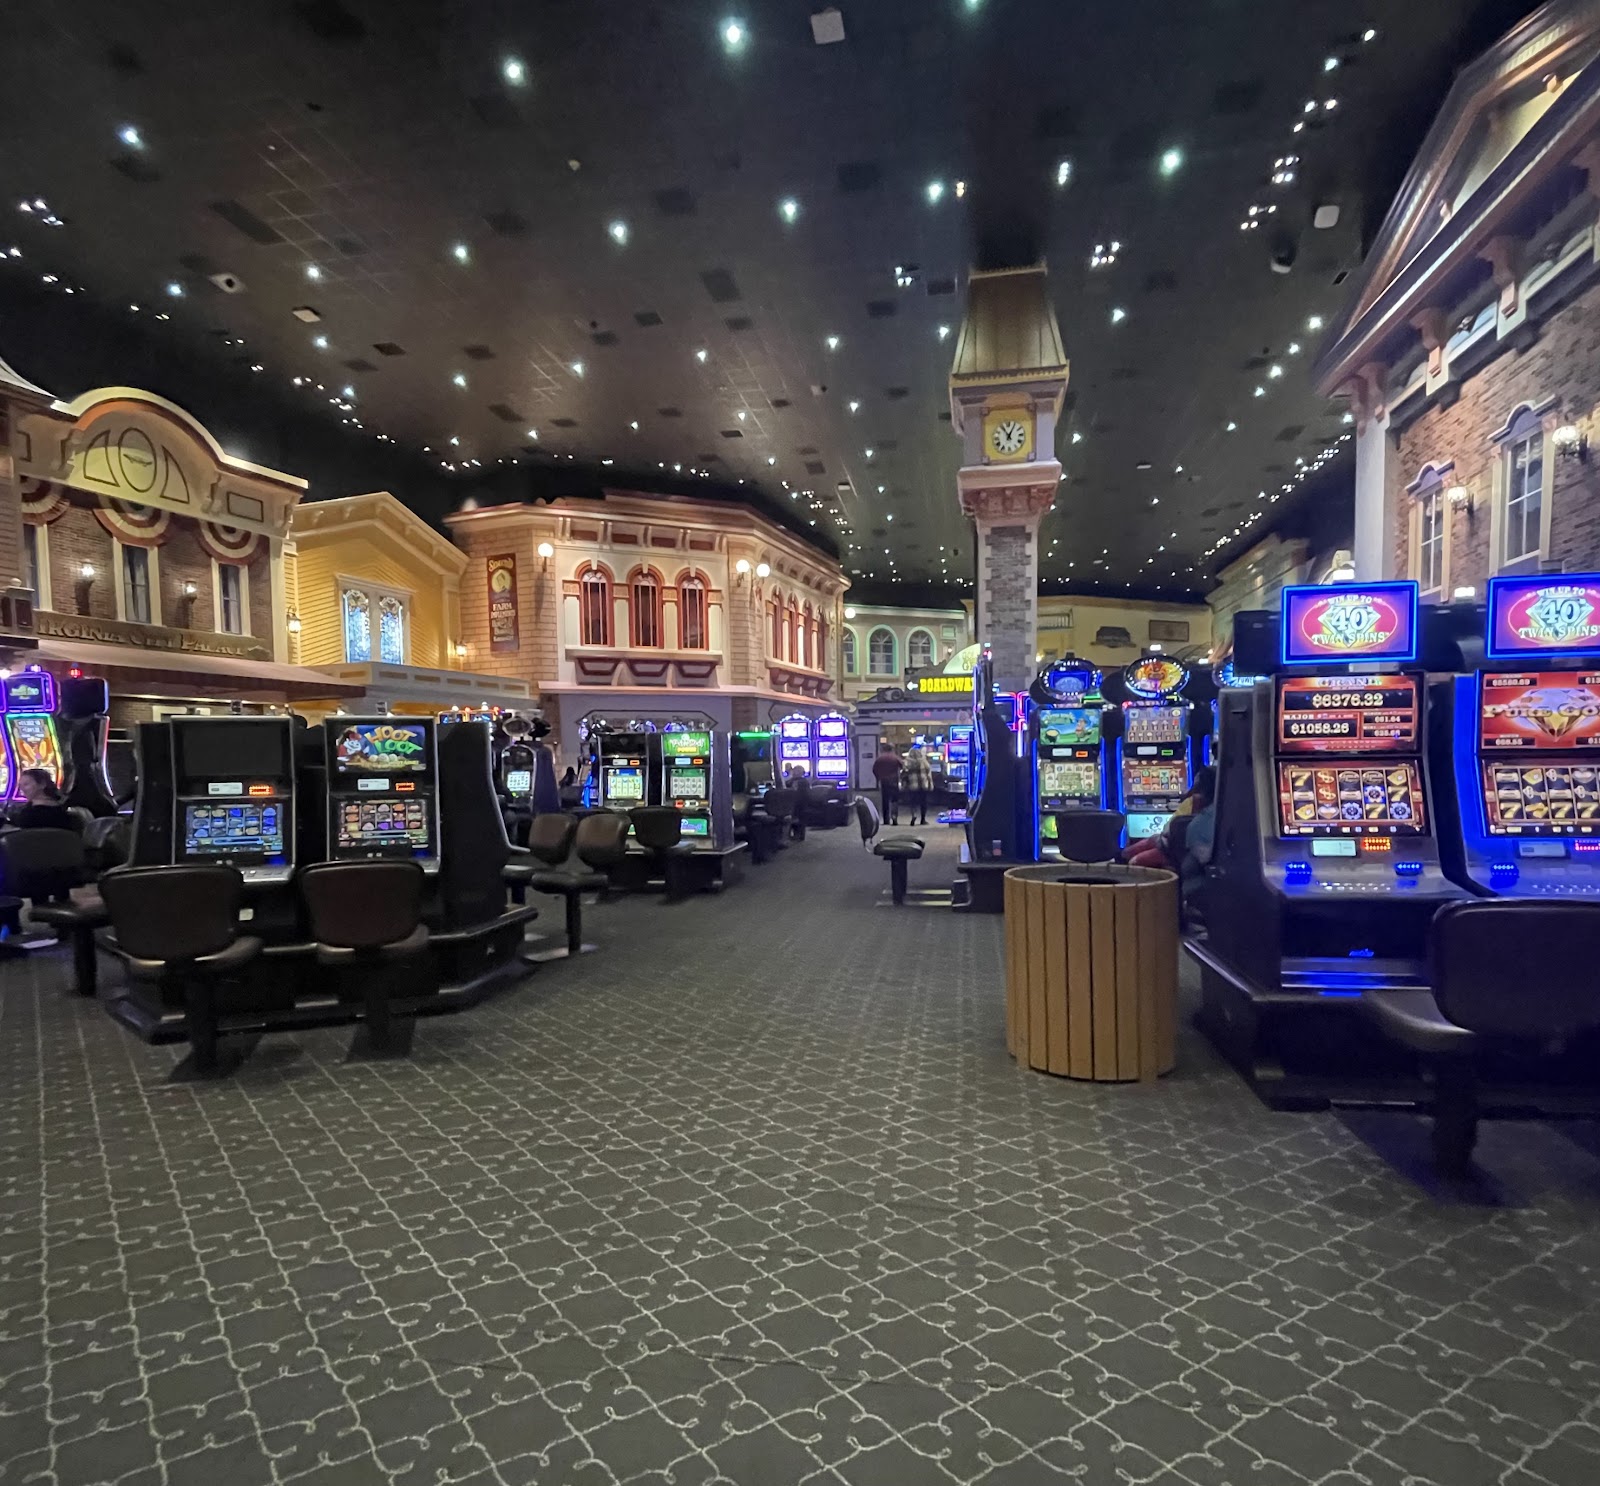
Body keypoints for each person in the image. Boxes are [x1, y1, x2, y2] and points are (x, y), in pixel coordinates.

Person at [1125, 766, 1215, 873]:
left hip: (1171, 850)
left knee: (1134, 861)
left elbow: (1169, 831)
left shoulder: (1194, 802)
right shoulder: (1219, 808)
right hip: (1171, 845)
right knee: (1136, 849)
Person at [8, 768, 75, 831]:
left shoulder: (28, 814)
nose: (22, 789)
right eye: (20, 786)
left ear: (42, 784)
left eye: (26, 784)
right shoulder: (62, 809)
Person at [871, 742, 903, 825]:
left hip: (884, 781)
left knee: (885, 800)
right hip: (894, 781)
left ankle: (886, 819)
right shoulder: (895, 757)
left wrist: (878, 777)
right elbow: (902, 767)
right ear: (892, 749)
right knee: (894, 800)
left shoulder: (880, 758)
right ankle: (894, 817)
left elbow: (874, 769)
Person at [902, 743, 933, 826]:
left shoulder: (907, 762)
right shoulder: (924, 761)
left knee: (913, 802)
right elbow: (929, 774)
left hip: (912, 784)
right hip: (923, 784)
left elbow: (904, 774)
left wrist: (904, 784)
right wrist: (930, 784)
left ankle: (914, 815)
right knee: (924, 802)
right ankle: (923, 819)